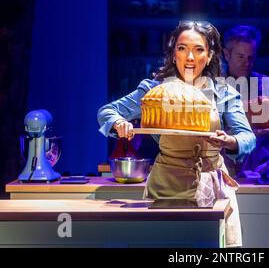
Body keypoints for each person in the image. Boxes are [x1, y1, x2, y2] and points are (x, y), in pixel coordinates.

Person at [97, 20, 256, 247]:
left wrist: (230, 141)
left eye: (198, 49)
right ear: (173, 54)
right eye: (182, 48)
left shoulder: (224, 92)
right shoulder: (155, 89)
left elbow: (247, 138)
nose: (190, 57)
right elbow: (107, 111)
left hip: (213, 187)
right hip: (166, 186)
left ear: (210, 56)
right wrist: (118, 123)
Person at [222, 25, 269, 177]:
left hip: (259, 170)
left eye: (251, 57)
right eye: (240, 57)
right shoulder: (213, 86)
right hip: (221, 170)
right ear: (226, 54)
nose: (247, 63)